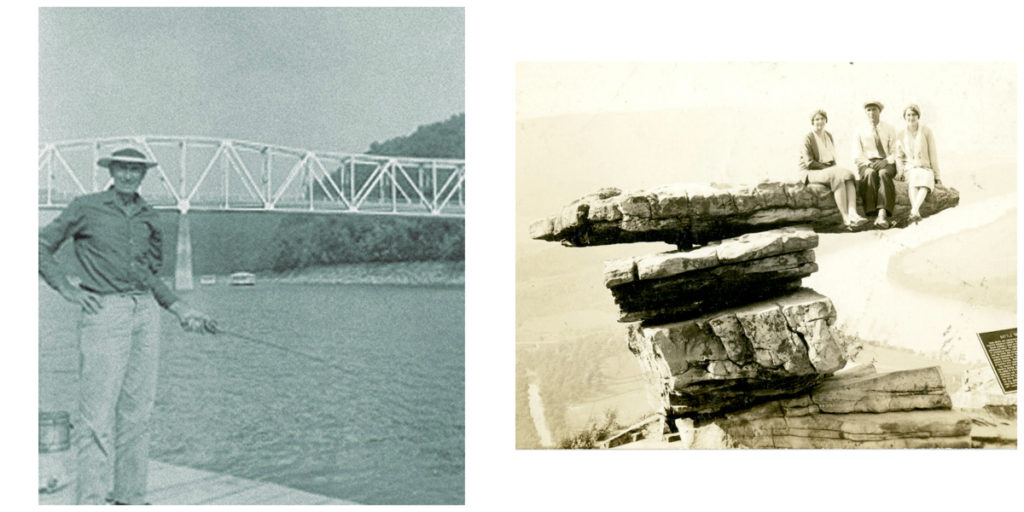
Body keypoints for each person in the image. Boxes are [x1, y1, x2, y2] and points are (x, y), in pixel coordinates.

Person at [39, 147, 217, 505]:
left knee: (138, 413)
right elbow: (39, 245)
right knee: (96, 416)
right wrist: (65, 289)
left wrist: (180, 308)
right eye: (122, 168)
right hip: (104, 313)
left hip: (146, 313)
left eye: (136, 170)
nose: (128, 176)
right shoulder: (85, 207)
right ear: (112, 171)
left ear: (143, 174)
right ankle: (90, 501)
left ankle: (130, 498)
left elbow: (149, 275)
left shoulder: (150, 216)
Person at [799, 109, 869, 229]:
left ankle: (853, 213)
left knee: (848, 175)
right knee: (837, 176)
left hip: (828, 169)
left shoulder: (828, 136)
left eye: (822, 119)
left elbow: (832, 157)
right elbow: (809, 162)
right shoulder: (808, 137)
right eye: (816, 119)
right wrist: (829, 168)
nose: (819, 121)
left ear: (826, 120)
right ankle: (846, 218)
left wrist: (834, 168)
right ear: (812, 122)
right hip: (812, 171)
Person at [852, 100, 899, 228]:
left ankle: (882, 214)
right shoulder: (859, 130)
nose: (871, 113)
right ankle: (871, 213)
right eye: (868, 110)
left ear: (880, 111)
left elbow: (896, 151)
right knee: (869, 174)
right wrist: (868, 163)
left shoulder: (890, 128)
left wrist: (886, 161)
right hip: (867, 162)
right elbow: (857, 154)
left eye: (874, 109)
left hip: (886, 161)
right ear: (865, 112)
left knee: (884, 173)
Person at [895, 104, 941, 223]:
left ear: (918, 116)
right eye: (908, 115)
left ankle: (914, 211)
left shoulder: (926, 131)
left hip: (925, 167)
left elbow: (933, 153)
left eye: (914, 114)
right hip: (910, 168)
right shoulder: (900, 134)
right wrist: (900, 170)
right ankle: (915, 212)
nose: (911, 117)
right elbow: (899, 156)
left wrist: (937, 176)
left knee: (925, 180)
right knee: (914, 181)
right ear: (905, 117)